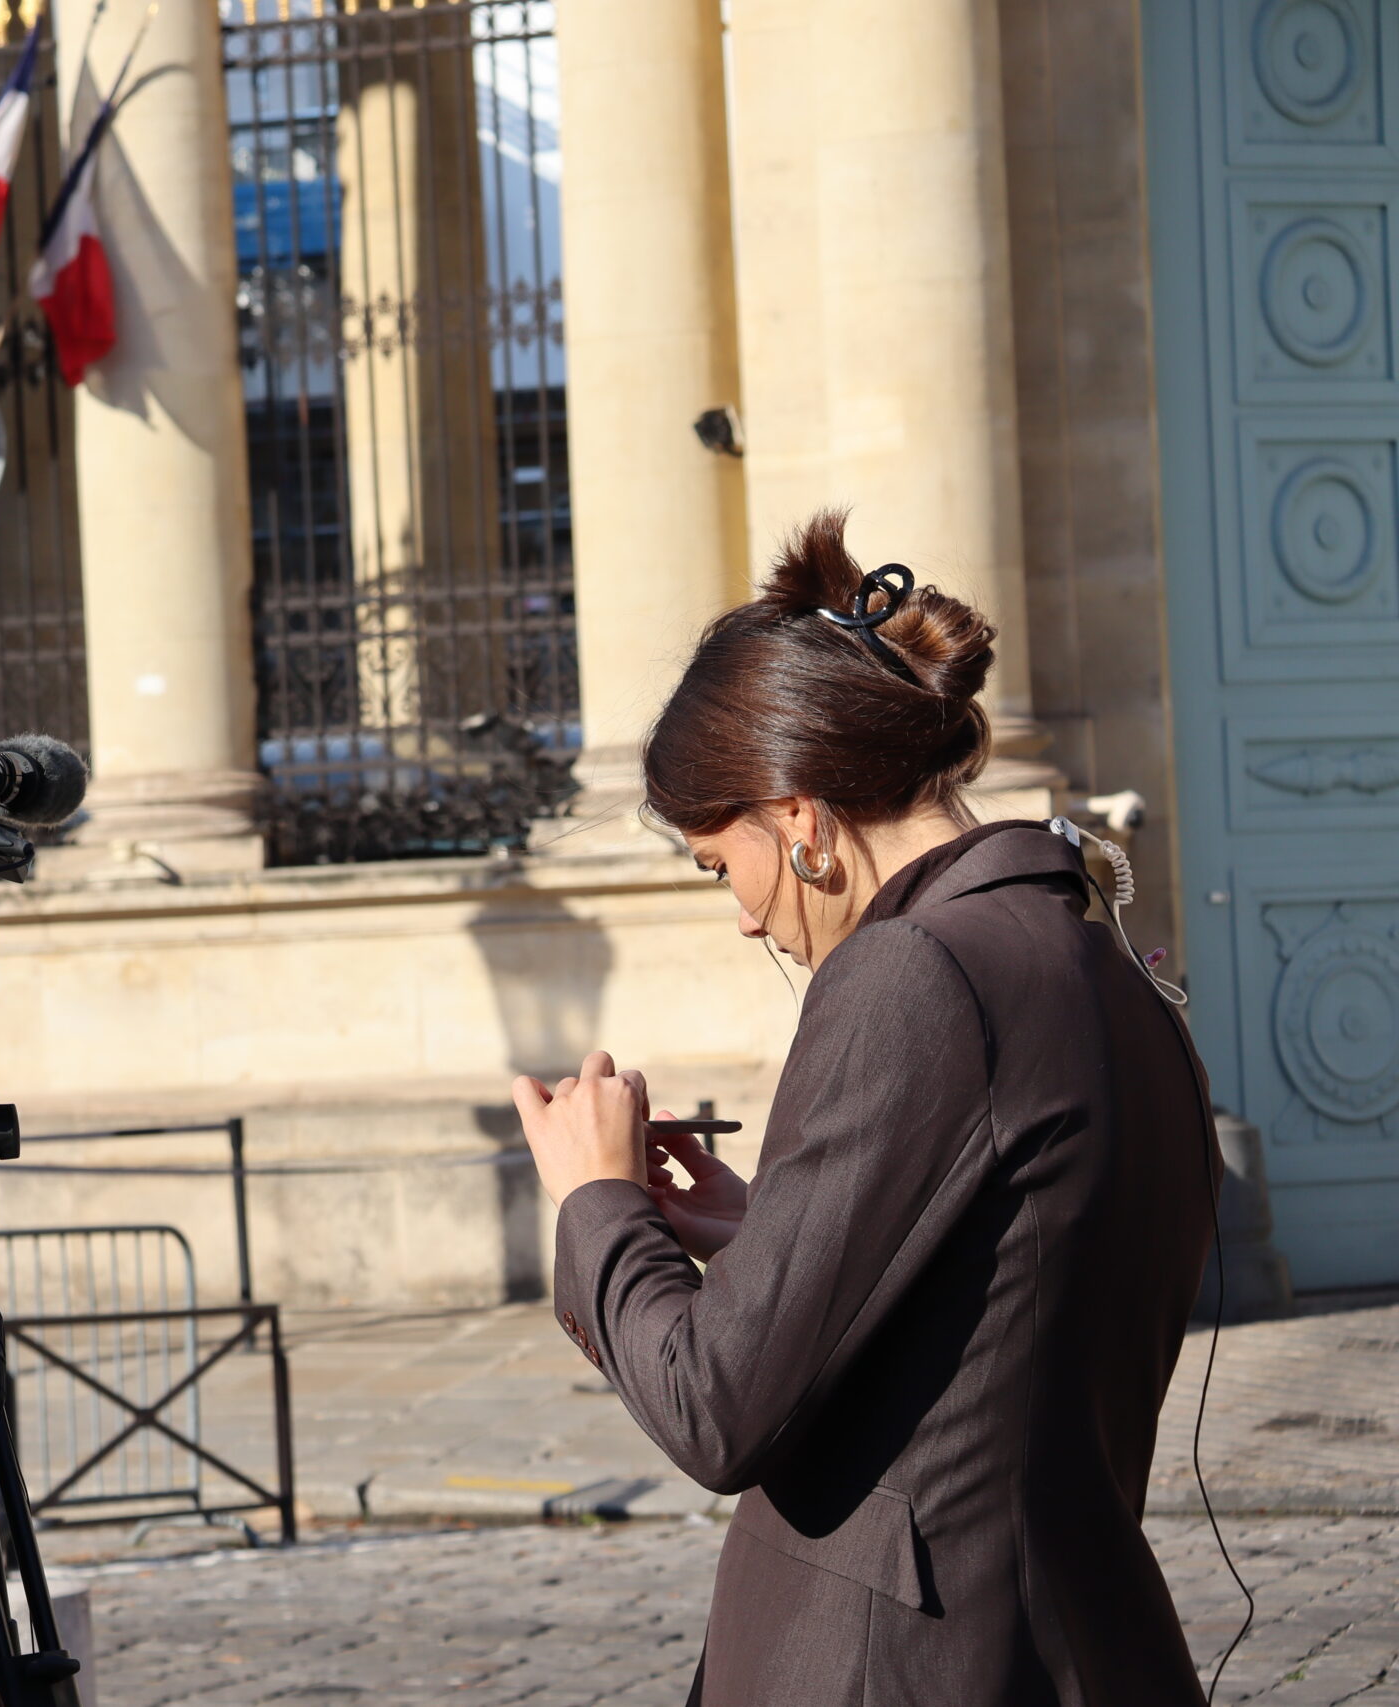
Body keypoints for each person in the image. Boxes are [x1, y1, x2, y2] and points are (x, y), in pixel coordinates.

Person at [515, 515, 1214, 1703]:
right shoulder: (1100, 962)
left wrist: (597, 1205)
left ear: (797, 821)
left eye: (713, 862)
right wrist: (766, 1234)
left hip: (897, 1667)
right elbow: (1010, 1289)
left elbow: (714, 1410)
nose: (740, 915)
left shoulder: (910, 972)